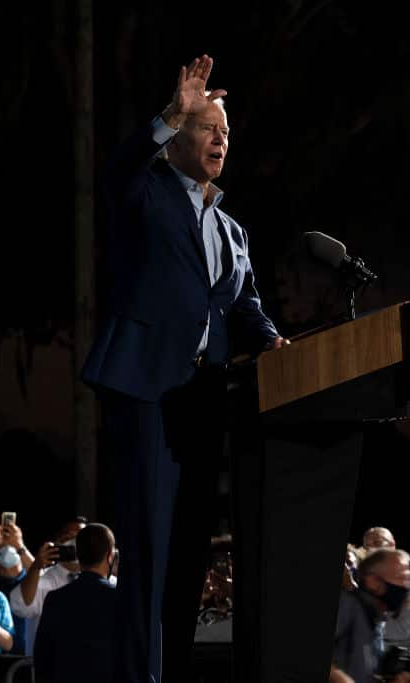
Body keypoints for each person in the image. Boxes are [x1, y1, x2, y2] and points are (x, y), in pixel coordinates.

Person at [81, 54, 287, 683]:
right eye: (207, 127)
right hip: (147, 390)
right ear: (177, 141)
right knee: (148, 545)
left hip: (203, 400)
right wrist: (171, 113)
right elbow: (114, 172)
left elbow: (246, 309)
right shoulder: (144, 191)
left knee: (190, 553)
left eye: (226, 131)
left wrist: (276, 344)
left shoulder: (233, 230)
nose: (221, 137)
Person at [33, 524, 117, 683]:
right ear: (109, 556)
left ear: (78, 554)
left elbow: (43, 658)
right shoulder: (120, 600)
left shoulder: (55, 599)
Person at [332, 548, 410, 683]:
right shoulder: (347, 606)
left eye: (408, 579)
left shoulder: (375, 620)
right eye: (400, 578)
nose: (406, 586)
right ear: (373, 582)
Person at [9, 518, 86, 656]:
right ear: (57, 543)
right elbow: (21, 607)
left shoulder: (106, 582)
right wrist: (36, 567)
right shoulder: (42, 581)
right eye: (68, 537)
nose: (74, 543)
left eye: (80, 538)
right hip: (50, 671)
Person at [361, 527, 410, 652]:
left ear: (392, 545)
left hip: (393, 657)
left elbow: (402, 630)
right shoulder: (362, 579)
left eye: (378, 543)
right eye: (368, 546)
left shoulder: (409, 581)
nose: (372, 549)